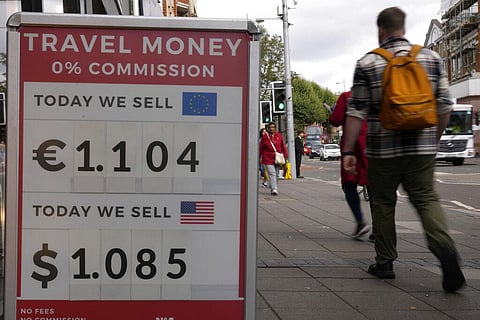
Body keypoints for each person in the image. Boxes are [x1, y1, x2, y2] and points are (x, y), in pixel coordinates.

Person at [341, 7, 465, 292]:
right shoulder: (430, 58)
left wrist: (348, 151)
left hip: (382, 150)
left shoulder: (368, 63)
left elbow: (356, 112)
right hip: (421, 147)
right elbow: (445, 105)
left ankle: (385, 262)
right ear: (403, 29)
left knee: (383, 203)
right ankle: (445, 250)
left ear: (381, 30)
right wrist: (434, 138)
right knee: (426, 199)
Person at [329, 91, 372, 239]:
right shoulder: (379, 93)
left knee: (349, 184)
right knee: (374, 184)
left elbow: (336, 119)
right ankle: (380, 229)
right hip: (373, 142)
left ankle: (361, 222)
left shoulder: (347, 96)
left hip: (352, 144)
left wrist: (334, 112)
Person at [260, 122, 288, 195]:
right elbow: (261, 148)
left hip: (277, 158)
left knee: (276, 173)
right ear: (268, 128)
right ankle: (274, 189)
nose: (271, 129)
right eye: (270, 127)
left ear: (275, 128)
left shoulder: (279, 136)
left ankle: (272, 185)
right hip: (268, 158)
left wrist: (286, 156)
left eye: (273, 127)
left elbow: (283, 146)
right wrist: (260, 157)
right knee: (272, 173)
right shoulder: (265, 137)